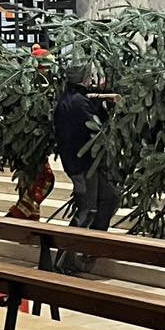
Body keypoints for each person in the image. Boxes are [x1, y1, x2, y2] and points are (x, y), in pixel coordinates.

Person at [53, 64, 120, 273]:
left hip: (86, 164)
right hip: (83, 166)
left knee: (109, 198)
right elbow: (96, 128)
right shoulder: (78, 103)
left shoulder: (70, 99)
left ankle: (92, 245)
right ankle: (64, 261)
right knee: (87, 210)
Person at [7, 32, 56, 220]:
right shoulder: (28, 90)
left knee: (32, 181)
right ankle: (18, 216)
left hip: (34, 144)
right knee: (42, 179)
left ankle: (29, 222)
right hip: (27, 144)